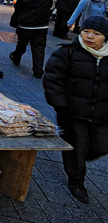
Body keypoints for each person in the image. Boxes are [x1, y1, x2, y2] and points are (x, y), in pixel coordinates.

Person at [43, 16, 108, 204]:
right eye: (86, 31)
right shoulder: (68, 53)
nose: (89, 36)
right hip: (72, 112)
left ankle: (79, 158)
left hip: (102, 114)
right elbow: (53, 80)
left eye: (96, 34)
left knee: (101, 146)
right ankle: (77, 181)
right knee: (77, 147)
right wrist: (61, 107)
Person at [9, 0, 54, 78]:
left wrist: (15, 22)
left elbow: (18, 9)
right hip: (41, 26)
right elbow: (49, 7)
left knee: (21, 44)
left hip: (26, 25)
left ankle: (16, 58)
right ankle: (38, 71)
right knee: (39, 48)